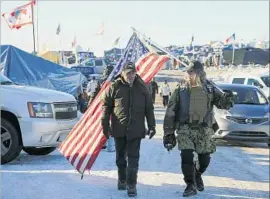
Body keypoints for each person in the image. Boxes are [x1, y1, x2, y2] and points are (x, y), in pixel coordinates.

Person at [163, 61, 233, 197]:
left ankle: (197, 174)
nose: (189, 75)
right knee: (187, 156)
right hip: (185, 128)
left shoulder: (210, 88)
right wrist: (168, 133)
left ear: (199, 73)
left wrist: (227, 98)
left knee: (204, 159)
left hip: (204, 129)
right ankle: (190, 184)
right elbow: (171, 111)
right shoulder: (181, 89)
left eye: (192, 72)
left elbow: (223, 105)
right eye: (188, 72)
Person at [101, 62, 156, 197]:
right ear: (123, 74)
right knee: (120, 158)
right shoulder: (114, 87)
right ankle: (122, 179)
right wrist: (105, 125)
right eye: (128, 73)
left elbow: (149, 108)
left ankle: (132, 185)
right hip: (119, 128)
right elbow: (106, 107)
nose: (131, 76)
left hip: (136, 129)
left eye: (133, 73)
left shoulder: (143, 87)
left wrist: (152, 125)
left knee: (133, 158)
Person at [88, 64, 115, 151]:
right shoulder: (116, 81)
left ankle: (104, 144)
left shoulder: (101, 81)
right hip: (112, 106)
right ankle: (109, 145)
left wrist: (90, 104)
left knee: (104, 125)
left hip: (103, 106)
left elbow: (94, 93)